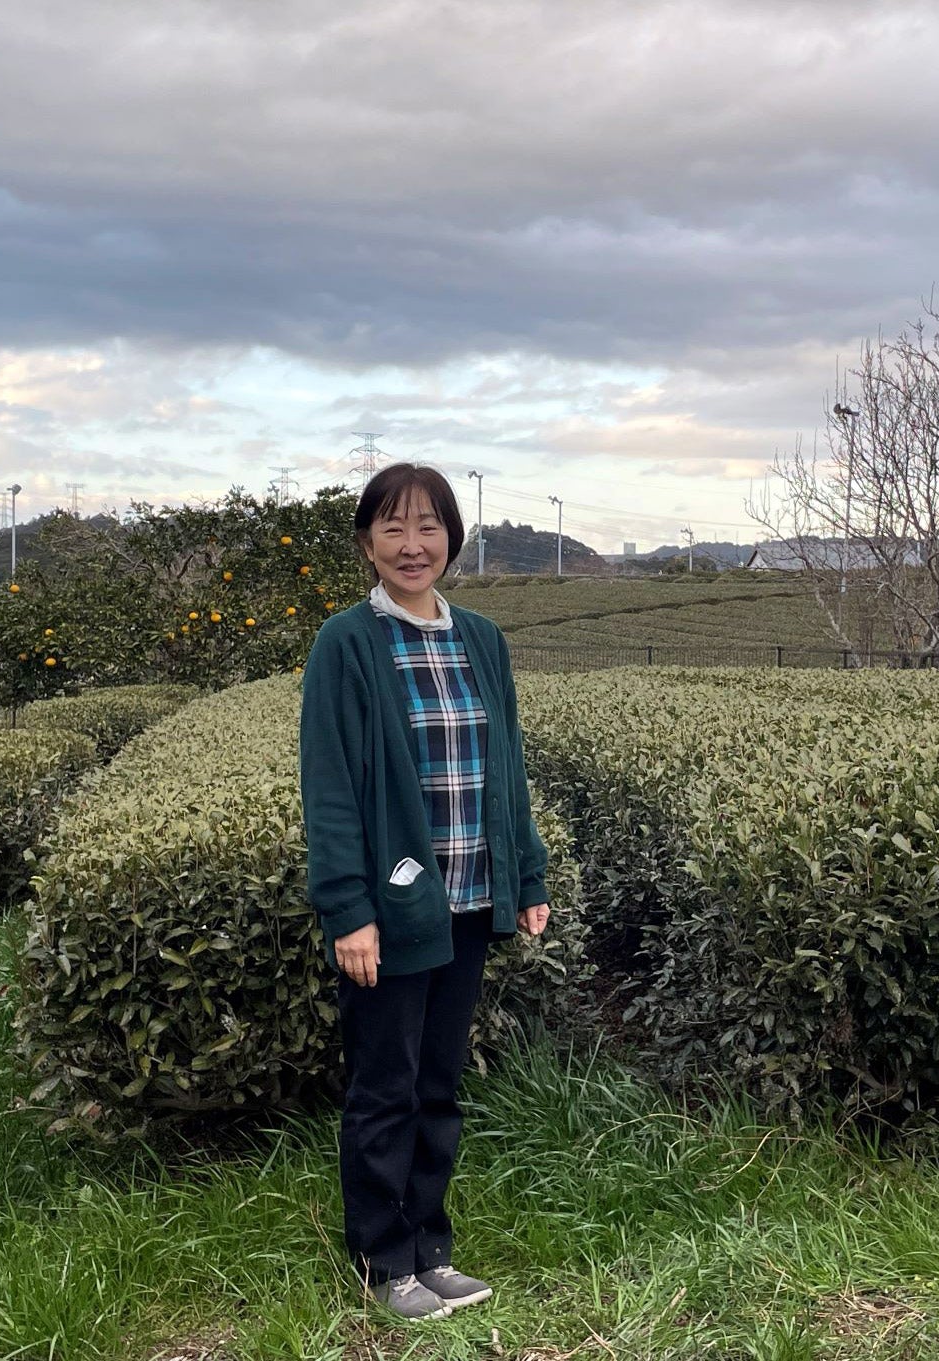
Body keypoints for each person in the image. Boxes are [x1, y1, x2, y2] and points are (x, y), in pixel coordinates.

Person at [299, 462, 552, 1322]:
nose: (414, 545)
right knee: (385, 1083)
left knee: (438, 1080)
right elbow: (330, 785)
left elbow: (507, 767)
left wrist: (527, 875)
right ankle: (381, 1257)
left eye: (430, 526)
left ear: (452, 537)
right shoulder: (347, 642)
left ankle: (428, 1248)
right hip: (393, 909)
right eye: (394, 528)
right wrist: (350, 911)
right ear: (367, 543)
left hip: (472, 898)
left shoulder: (481, 638)